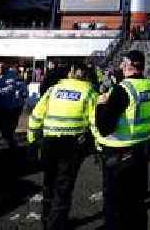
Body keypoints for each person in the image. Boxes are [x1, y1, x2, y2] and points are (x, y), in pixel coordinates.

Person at [92, 50, 150, 230]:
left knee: (115, 208)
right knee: (137, 205)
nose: (121, 66)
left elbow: (104, 127)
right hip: (141, 149)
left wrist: (100, 104)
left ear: (130, 64)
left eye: (123, 63)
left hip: (119, 154)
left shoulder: (123, 89)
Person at [28, 65, 97, 230]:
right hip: (71, 144)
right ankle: (57, 225)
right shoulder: (89, 91)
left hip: (49, 141)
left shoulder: (54, 89)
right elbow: (95, 121)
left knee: (48, 183)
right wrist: (98, 146)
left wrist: (32, 140)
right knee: (63, 186)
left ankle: (46, 220)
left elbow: (36, 115)